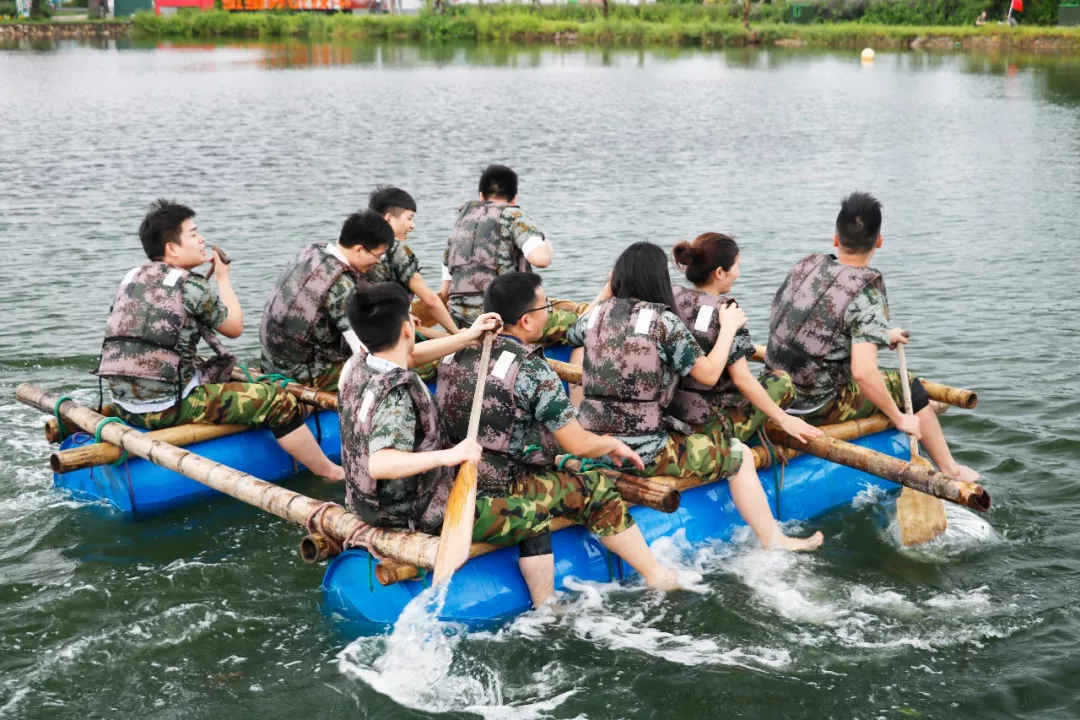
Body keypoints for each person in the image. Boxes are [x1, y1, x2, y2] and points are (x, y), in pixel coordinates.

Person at [339, 282, 609, 608]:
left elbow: (410, 355)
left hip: (365, 504)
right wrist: (452, 454)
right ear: (408, 328)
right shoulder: (397, 393)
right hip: (416, 513)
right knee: (533, 514)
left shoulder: (357, 366)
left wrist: (468, 336)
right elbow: (380, 463)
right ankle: (547, 609)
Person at [436, 272, 679, 605]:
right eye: (545, 307)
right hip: (502, 486)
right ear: (525, 320)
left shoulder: (452, 353)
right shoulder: (533, 370)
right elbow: (578, 443)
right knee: (595, 487)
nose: (549, 313)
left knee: (559, 463)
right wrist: (611, 443)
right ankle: (656, 575)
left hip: (453, 478)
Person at [567, 242, 824, 552]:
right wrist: (728, 328)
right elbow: (709, 374)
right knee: (740, 455)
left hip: (592, 447)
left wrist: (606, 291)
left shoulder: (595, 316)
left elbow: (573, 332)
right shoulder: (663, 323)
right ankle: (774, 540)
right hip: (641, 454)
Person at [97, 199, 343, 481]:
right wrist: (223, 279)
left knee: (220, 371)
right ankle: (330, 472)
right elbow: (234, 328)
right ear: (172, 248)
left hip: (123, 402)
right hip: (167, 407)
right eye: (193, 234)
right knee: (278, 401)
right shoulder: (191, 285)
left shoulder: (131, 277)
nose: (202, 239)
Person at [764, 191, 979, 482]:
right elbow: (863, 372)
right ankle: (951, 469)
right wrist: (900, 418)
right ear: (879, 241)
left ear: (835, 239)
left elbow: (815, 321)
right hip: (814, 405)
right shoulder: (866, 296)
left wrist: (880, 334)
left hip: (774, 391)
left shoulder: (806, 266)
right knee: (909, 386)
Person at [669, 233, 823, 445]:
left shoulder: (673, 296)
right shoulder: (727, 312)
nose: (738, 273)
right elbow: (742, 379)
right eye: (737, 266)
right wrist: (784, 419)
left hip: (674, 411)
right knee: (781, 381)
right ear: (720, 272)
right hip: (711, 422)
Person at [439, 164, 580, 344]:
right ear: (514, 198)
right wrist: (545, 243)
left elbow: (445, 291)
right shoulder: (512, 215)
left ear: (481, 196)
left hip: (461, 322)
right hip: (502, 321)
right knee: (580, 326)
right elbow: (542, 259)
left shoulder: (462, 221)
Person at [260, 210, 393, 391]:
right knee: (394, 366)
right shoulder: (341, 285)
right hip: (300, 375)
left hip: (269, 361)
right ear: (359, 249)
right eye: (378, 256)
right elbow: (362, 352)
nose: (378, 262)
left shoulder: (312, 251)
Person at [366, 185, 460, 335]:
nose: (413, 225)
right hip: (387, 332)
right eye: (409, 218)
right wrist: (459, 335)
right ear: (389, 218)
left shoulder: (361, 244)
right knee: (452, 338)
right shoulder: (396, 249)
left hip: (367, 323)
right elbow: (430, 300)